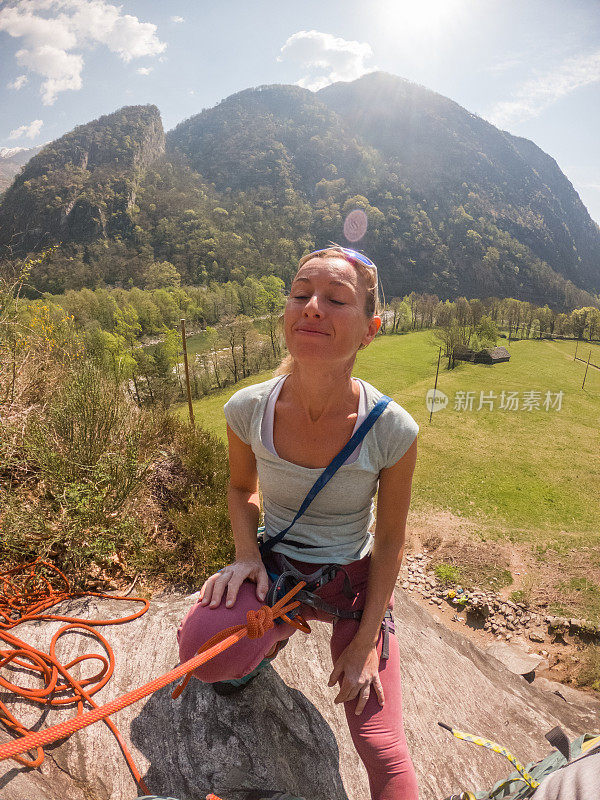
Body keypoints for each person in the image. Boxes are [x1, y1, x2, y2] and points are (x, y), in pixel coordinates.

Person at [177, 245, 420, 800]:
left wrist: (361, 646)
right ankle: (274, 632)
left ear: (369, 329)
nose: (312, 307)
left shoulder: (392, 431)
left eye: (336, 299)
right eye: (300, 293)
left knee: (382, 746)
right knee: (203, 657)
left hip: (349, 584)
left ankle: (280, 633)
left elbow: (389, 539)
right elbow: (242, 489)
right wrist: (243, 557)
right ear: (285, 313)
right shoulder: (247, 409)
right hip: (276, 571)